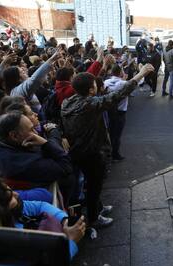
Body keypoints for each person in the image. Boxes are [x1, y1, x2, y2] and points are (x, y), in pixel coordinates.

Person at [61, 63, 154, 230]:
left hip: (77, 151)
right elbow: (117, 95)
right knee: (94, 186)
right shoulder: (89, 105)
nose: (98, 85)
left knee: (91, 184)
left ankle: (98, 207)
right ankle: (94, 218)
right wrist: (140, 74)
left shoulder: (68, 103)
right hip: (92, 152)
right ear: (90, 90)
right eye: (95, 85)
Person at [0, 180, 85, 260]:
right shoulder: (9, 245)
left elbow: (40, 206)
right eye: (10, 198)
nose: (16, 194)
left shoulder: (14, 208)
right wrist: (70, 242)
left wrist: (64, 220)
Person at [0, 112, 73, 202]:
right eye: (31, 129)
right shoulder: (22, 163)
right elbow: (66, 166)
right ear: (14, 136)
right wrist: (46, 143)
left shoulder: (7, 146)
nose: (36, 133)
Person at [104, 64, 129, 161]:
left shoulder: (106, 82)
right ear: (120, 72)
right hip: (120, 112)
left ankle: (109, 153)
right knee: (117, 135)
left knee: (110, 133)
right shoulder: (123, 84)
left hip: (109, 111)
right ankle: (115, 154)